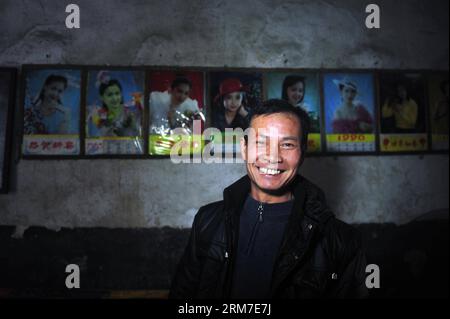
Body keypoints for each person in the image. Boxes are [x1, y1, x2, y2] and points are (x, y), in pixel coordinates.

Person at [170, 99, 368, 299]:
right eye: (261, 142)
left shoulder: (341, 241)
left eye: (287, 144)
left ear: (303, 152)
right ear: (244, 148)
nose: (273, 156)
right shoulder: (208, 221)